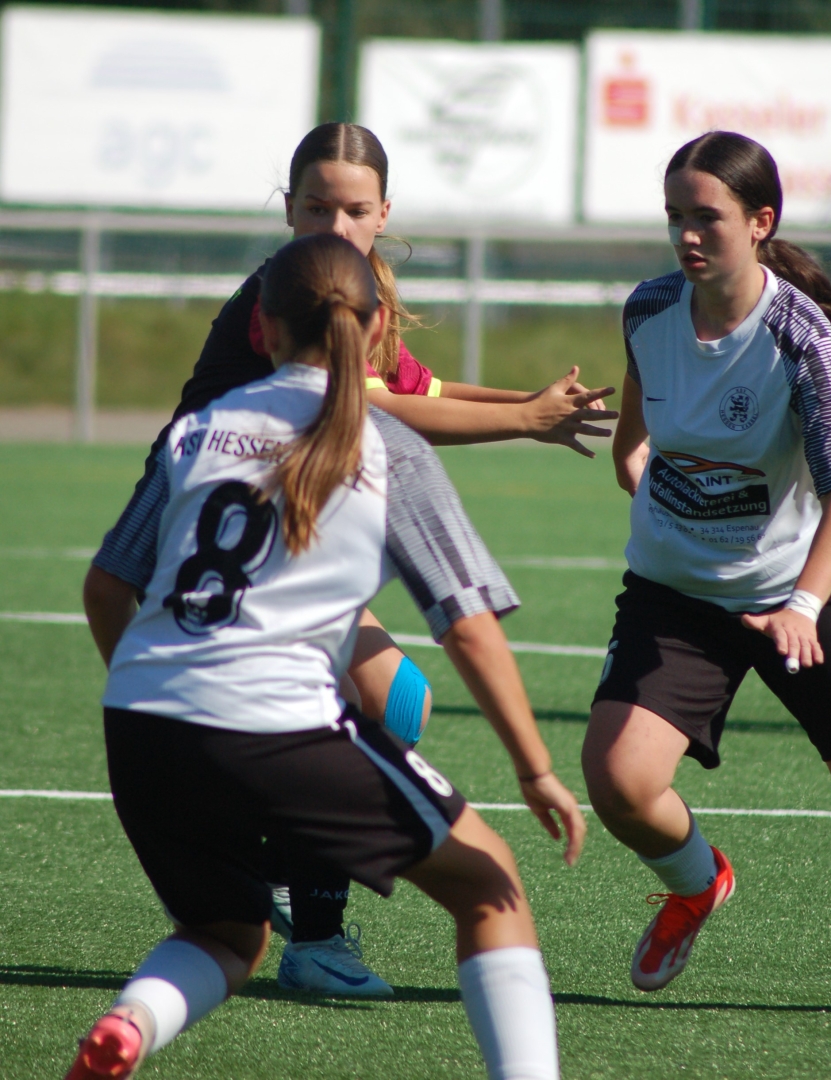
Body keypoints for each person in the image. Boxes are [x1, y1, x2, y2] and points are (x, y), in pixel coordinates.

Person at [83, 122, 615, 996]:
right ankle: (317, 931)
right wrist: (523, 420)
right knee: (384, 702)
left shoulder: (354, 291)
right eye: (317, 207)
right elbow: (371, 408)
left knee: (393, 697)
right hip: (223, 515)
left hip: (291, 525)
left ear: (384, 214)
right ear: (287, 209)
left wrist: (528, 403)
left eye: (355, 210)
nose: (336, 224)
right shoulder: (285, 294)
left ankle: (289, 876)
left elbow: (417, 389)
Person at [581, 130, 831, 994]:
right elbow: (637, 427)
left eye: (706, 217)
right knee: (618, 782)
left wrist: (803, 606)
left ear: (760, 222)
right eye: (673, 215)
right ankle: (696, 882)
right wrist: (638, 470)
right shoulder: (648, 309)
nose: (685, 234)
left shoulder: (800, 334)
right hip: (674, 597)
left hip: (799, 593)